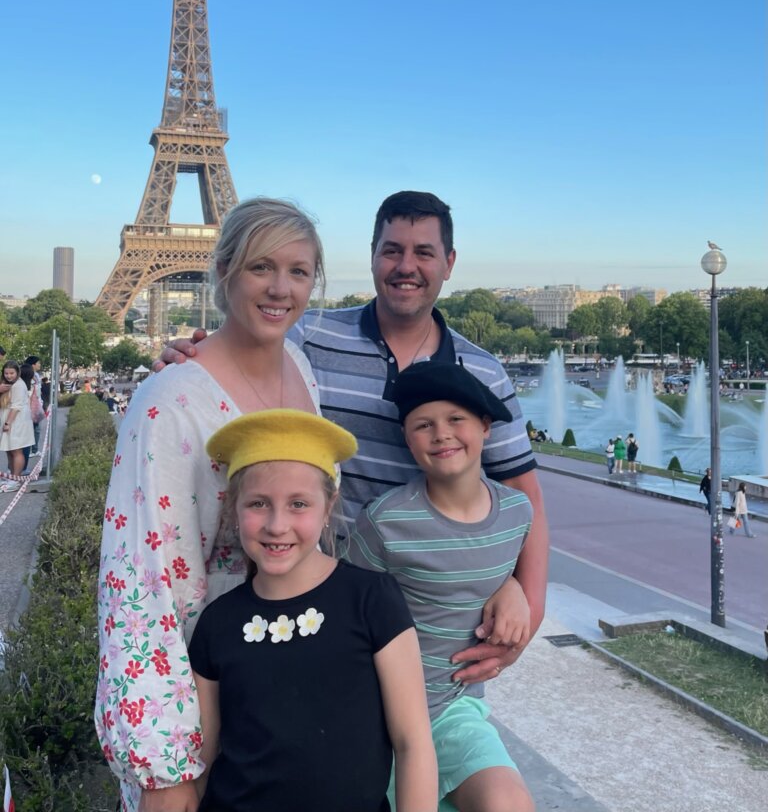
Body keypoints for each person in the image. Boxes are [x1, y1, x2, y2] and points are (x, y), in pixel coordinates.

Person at [159, 191, 549, 681]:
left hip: (429, 627)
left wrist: (523, 603)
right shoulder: (307, 340)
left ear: (449, 263)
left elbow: (520, 498)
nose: (406, 266)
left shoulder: (484, 373)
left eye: (424, 252)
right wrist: (193, 358)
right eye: (392, 250)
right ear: (372, 256)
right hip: (315, 605)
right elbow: (240, 352)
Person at [95, 197, 326, 812]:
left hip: (292, 694)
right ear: (222, 270)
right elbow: (141, 590)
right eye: (260, 267)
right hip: (206, 703)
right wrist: (167, 772)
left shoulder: (304, 370)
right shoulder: (167, 402)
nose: (280, 288)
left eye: (299, 271)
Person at [190, 409, 437, 812]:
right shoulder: (218, 623)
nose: (276, 524)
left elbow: (412, 742)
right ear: (234, 508)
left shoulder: (371, 600)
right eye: (258, 503)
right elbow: (203, 756)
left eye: (299, 504)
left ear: (328, 506)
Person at [347, 361, 534, 812]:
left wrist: (515, 587)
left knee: (509, 804)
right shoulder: (384, 521)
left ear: (486, 427)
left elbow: (493, 569)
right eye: (423, 425)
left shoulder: (516, 512)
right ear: (407, 439)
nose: (442, 434)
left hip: (455, 709)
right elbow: (346, 610)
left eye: (457, 420)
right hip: (379, 714)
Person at [0, 360, 35, 487]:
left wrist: (8, 423)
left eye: (11, 373)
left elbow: (16, 406)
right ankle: (12, 475)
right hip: (8, 420)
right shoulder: (5, 384)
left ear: (17, 372)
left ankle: (16, 478)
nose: (9, 376)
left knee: (16, 450)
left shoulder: (19, 385)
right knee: (9, 450)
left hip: (16, 422)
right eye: (6, 373)